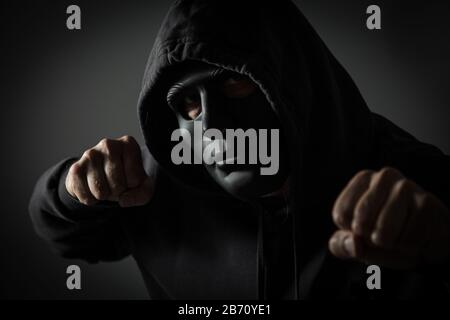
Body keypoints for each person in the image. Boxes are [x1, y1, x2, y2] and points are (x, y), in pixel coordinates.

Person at [29, 0, 450, 299]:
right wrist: (75, 187)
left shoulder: (410, 182)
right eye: (188, 103)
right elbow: (63, 233)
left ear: (292, 77)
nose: (212, 128)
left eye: (234, 81)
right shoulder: (158, 186)